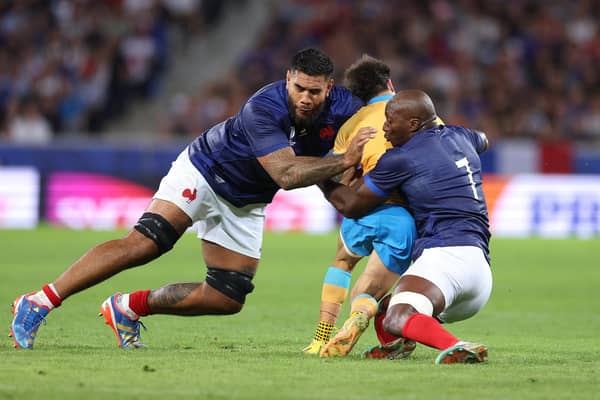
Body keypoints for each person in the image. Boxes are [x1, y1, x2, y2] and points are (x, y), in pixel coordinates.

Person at [9, 48, 374, 349]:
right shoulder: (263, 107)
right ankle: (39, 300)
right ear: (287, 78)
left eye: (315, 91)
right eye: (299, 89)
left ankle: (128, 307)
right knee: (146, 244)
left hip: (246, 201)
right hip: (205, 170)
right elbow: (287, 174)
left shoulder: (347, 106)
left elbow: (387, 104)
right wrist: (344, 161)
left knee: (227, 297)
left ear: (329, 87)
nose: (306, 99)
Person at [318, 89, 492, 364]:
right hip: (479, 275)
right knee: (387, 310)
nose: (384, 127)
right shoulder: (462, 136)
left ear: (413, 124)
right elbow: (483, 139)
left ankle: (457, 346)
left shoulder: (401, 158)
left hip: (445, 260)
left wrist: (322, 176)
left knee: (397, 317)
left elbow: (351, 205)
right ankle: (398, 345)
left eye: (390, 120)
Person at [302, 55, 418, 358]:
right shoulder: (417, 115)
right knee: (371, 291)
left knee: (342, 261)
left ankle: (320, 338)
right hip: (402, 216)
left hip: (360, 210)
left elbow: (340, 172)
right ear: (390, 84)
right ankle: (368, 318)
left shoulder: (352, 124)